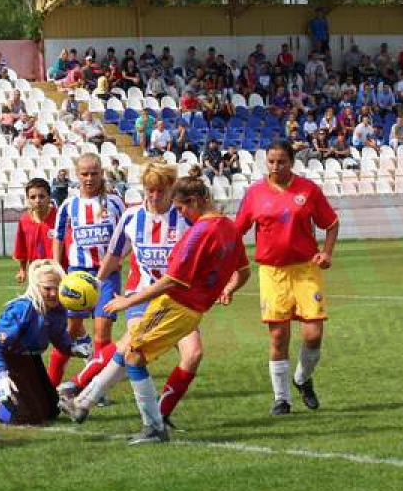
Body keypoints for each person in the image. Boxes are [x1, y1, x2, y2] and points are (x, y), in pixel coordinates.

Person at [61, 175, 251, 444]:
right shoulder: (229, 228)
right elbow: (244, 271)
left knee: (135, 356)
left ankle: (154, 427)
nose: (180, 212)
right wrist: (228, 289)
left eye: (182, 207)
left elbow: (172, 280)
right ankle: (82, 402)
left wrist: (128, 301)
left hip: (176, 305)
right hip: (191, 310)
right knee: (129, 349)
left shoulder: (199, 232)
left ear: (195, 201)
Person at [57, 163, 201, 428]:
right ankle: (151, 420)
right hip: (140, 297)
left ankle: (81, 395)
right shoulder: (132, 216)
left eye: (161, 190)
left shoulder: (186, 219)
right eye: (149, 190)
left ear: (171, 189)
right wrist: (95, 283)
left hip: (178, 301)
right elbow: (114, 255)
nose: (155, 196)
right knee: (134, 347)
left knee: (192, 354)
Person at [234, 141, 339, 415]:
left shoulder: (308, 190)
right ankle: (282, 399)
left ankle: (302, 378)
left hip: (305, 269)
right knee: (279, 336)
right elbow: (237, 231)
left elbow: (331, 223)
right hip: (272, 272)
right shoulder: (255, 193)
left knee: (313, 334)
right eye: (271, 161)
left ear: (291, 162)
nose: (275, 167)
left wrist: (326, 253)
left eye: (281, 161)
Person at [0, 260, 89, 425]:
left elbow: (58, 338)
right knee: (25, 417)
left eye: (57, 288)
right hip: (3, 357)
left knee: (51, 410)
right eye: (47, 288)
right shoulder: (23, 309)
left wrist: (73, 349)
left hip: (29, 359)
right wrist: (2, 375)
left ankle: (9, 399)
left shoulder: (58, 309)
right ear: (36, 287)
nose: (53, 293)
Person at [49, 153, 126, 387]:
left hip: (108, 276)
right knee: (69, 332)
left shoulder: (115, 202)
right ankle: (50, 385)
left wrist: (119, 258)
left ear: (102, 173)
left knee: (102, 334)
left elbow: (130, 236)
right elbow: (59, 236)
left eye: (94, 173)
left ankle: (95, 388)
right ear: (77, 175)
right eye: (84, 174)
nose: (89, 178)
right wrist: (57, 267)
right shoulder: (69, 205)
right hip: (77, 275)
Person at [14, 179, 60, 284]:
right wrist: (22, 270)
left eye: (42, 196)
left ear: (49, 197)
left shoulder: (60, 218)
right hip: (36, 274)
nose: (37, 200)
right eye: (33, 197)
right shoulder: (24, 221)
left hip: (59, 273)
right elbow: (22, 249)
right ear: (28, 199)